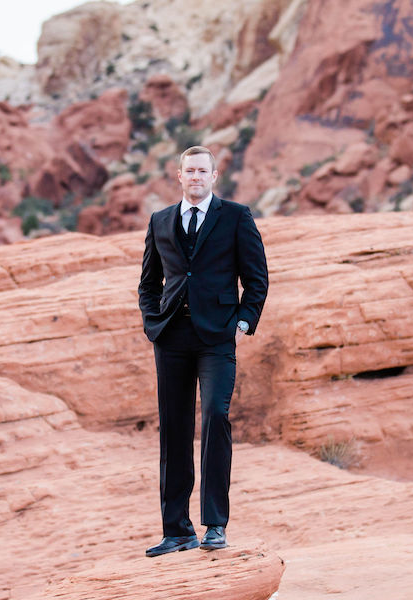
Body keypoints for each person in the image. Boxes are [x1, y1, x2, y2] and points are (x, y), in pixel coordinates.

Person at [138, 145, 269, 557]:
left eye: (202, 171)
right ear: (179, 176)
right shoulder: (160, 221)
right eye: (189, 171)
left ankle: (215, 525)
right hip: (172, 337)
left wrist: (243, 324)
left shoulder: (236, 217)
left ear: (214, 176)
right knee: (174, 429)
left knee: (215, 416)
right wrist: (153, 323)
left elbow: (257, 278)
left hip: (217, 337)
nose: (195, 177)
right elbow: (148, 283)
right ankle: (177, 531)